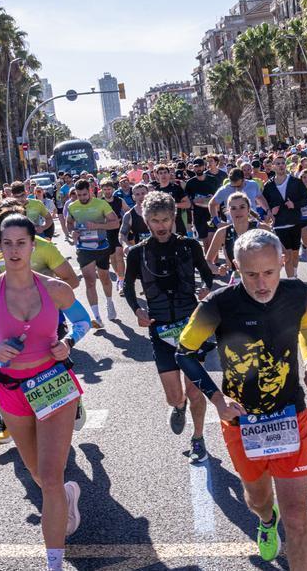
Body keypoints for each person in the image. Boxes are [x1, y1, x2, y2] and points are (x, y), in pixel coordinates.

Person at [0, 213, 92, 571]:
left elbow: (83, 321)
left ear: (33, 245)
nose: (14, 250)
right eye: (7, 243)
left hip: (53, 384)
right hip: (11, 391)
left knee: (52, 476)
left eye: (21, 243)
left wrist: (69, 341)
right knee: (40, 477)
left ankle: (54, 563)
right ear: (0, 247)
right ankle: (66, 498)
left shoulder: (56, 289)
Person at [175, 229, 307, 569]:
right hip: (241, 420)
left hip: (289, 414)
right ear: (235, 267)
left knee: (298, 516)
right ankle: (266, 521)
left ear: (282, 262)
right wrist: (216, 399)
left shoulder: (298, 292)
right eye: (250, 274)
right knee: (258, 499)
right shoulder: (218, 304)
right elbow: (185, 353)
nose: (261, 283)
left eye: (269, 272)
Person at [121, 190, 215, 463]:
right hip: (160, 329)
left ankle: (198, 438)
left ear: (174, 218)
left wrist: (206, 290)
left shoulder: (190, 246)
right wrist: (137, 310)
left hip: (191, 327)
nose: (161, 225)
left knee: (195, 388)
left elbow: (207, 275)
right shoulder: (138, 253)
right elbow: (128, 286)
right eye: (154, 220)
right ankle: (179, 406)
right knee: (174, 396)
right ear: (146, 220)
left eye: (165, 219)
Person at [66, 178, 120, 325]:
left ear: (90, 191)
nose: (82, 198)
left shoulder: (101, 204)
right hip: (84, 248)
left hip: (101, 246)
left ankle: (109, 302)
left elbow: (115, 223)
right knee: (90, 282)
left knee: (105, 278)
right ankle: (96, 317)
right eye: (79, 195)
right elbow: (69, 223)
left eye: (84, 194)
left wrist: (97, 225)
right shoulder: (72, 206)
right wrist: (72, 232)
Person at [263, 154, 307, 279]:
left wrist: (294, 204)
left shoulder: (296, 182)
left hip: (295, 222)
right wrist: (270, 211)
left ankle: (294, 273)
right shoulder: (268, 186)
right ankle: (292, 281)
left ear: (286, 165)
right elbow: (265, 205)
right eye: (277, 164)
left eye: (282, 163)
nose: (281, 166)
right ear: (273, 167)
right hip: (279, 224)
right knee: (287, 254)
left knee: (295, 253)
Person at [206, 192, 269, 280]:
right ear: (228, 211)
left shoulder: (262, 229)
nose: (238, 211)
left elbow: (283, 254)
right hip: (237, 280)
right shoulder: (222, 232)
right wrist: (218, 270)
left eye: (242, 207)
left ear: (248, 209)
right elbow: (207, 262)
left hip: (262, 280)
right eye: (233, 208)